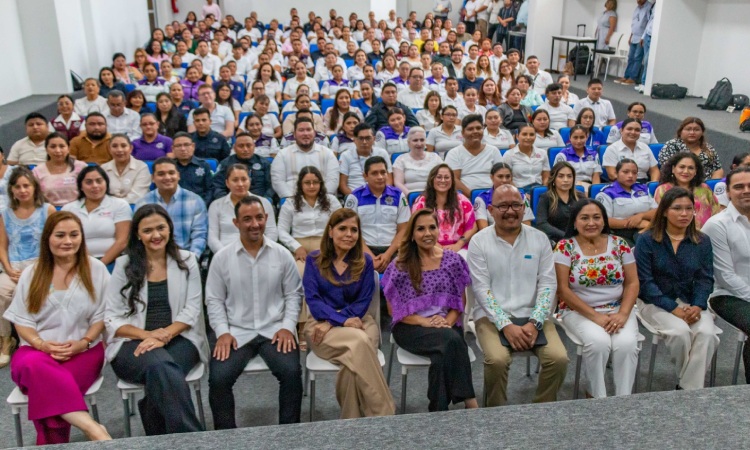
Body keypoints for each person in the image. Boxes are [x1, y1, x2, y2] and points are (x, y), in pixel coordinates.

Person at [3, 212, 111, 445]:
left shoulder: (97, 269)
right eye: (60, 235)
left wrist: (84, 342)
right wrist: (41, 344)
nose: (68, 241)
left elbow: (103, 316)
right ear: (48, 238)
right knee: (35, 368)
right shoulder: (32, 273)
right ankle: (93, 429)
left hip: (84, 351)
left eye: (74, 235)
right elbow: (21, 320)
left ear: (82, 237)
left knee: (50, 392)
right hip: (35, 351)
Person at [104, 204, 209, 435]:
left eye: (161, 228)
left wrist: (165, 335)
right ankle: (192, 439)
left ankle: (156, 427)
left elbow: (192, 310)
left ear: (169, 228)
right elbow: (111, 317)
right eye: (148, 230)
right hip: (132, 341)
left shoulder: (187, 260)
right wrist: (148, 335)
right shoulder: (124, 265)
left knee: (162, 373)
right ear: (138, 235)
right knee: (163, 368)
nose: (156, 235)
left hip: (180, 337)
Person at [206, 196, 303, 428]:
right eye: (247, 219)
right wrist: (222, 332)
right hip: (236, 331)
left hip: (275, 329)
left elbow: (294, 295)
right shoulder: (222, 258)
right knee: (218, 379)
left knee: (291, 373)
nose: (254, 224)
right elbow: (214, 300)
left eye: (259, 217)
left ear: (266, 218)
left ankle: (291, 435)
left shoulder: (282, 254)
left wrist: (287, 327)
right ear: (236, 223)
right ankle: (226, 438)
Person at [468, 184, 568, 407]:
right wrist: (505, 324)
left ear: (524, 209)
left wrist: (535, 321)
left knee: (558, 359)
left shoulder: (539, 239)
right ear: (491, 210)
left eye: (516, 205)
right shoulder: (478, 242)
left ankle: (541, 409)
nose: (510, 211)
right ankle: (496, 413)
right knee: (497, 360)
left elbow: (548, 284)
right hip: (491, 317)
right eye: (503, 206)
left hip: (534, 314)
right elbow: (481, 289)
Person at [302, 209, 396, 418]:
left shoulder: (365, 261)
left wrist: (334, 321)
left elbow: (362, 303)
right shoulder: (314, 260)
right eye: (342, 229)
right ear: (330, 231)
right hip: (319, 325)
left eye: (354, 230)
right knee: (360, 343)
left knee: (352, 361)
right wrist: (339, 320)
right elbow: (314, 303)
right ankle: (384, 414)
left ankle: (350, 422)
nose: (348, 234)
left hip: (360, 320)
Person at [382, 209, 478, 411]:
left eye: (432, 227)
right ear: (412, 234)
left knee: (442, 353)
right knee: (452, 340)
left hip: (447, 323)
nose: (427, 233)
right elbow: (393, 310)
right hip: (410, 326)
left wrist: (446, 322)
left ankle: (438, 408)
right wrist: (425, 322)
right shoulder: (400, 265)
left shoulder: (452, 260)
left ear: (438, 230)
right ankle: (470, 401)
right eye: (420, 229)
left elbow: (459, 303)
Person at [554, 197, 640, 398]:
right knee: (599, 343)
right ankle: (597, 398)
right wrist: (596, 317)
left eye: (596, 217)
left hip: (618, 308)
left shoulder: (619, 244)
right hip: (578, 310)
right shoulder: (565, 247)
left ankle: (624, 399)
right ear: (575, 222)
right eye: (584, 218)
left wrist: (623, 314)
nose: (591, 223)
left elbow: (632, 283)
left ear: (604, 220)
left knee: (626, 345)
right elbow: (563, 290)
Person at [635, 187, 718, 390]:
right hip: (655, 301)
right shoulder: (646, 240)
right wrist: (673, 308)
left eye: (689, 209)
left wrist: (698, 305)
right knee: (680, 333)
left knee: (707, 334)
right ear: (664, 211)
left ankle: (686, 389)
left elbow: (705, 279)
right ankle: (691, 390)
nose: (684, 214)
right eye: (677, 208)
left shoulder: (702, 241)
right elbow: (645, 283)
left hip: (691, 301)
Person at [0, 168, 56, 367]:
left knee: (31, 293)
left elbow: (54, 243)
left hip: (42, 267)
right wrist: (8, 269)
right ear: (11, 190)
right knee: (1, 292)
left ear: (34, 188)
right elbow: (2, 246)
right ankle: (6, 339)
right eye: (18, 186)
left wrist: (34, 270)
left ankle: (38, 339)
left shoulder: (47, 210)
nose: (22, 190)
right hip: (14, 268)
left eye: (26, 185)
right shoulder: (5, 214)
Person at [703, 167, 750, 384]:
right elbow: (725, 276)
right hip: (726, 295)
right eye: (739, 187)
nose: (746, 190)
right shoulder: (717, 225)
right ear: (728, 192)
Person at [344, 156, 410, 272]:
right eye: (374, 173)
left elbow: (403, 229)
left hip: (393, 250)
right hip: (362, 250)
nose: (380, 177)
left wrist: (387, 255)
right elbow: (350, 230)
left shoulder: (398, 196)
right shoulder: (355, 197)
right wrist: (371, 258)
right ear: (365, 176)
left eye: (383, 172)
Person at [134, 158, 208, 257]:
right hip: (151, 257)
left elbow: (199, 235)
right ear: (153, 178)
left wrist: (191, 259)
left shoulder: (195, 201)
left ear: (178, 175)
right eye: (161, 174)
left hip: (185, 256)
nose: (167, 177)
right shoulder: (143, 203)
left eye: (171, 173)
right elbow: (138, 236)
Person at [62, 166, 131, 270]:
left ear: (106, 183)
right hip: (79, 261)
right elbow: (69, 239)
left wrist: (100, 265)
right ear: (81, 186)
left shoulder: (120, 205)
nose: (95, 185)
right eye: (89, 182)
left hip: (115, 261)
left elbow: (122, 241)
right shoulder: (68, 209)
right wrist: (89, 264)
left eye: (99, 181)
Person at [279, 167, 342, 275]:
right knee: (300, 274)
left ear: (321, 183)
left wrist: (330, 248)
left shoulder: (331, 200)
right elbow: (281, 230)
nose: (312, 186)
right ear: (300, 184)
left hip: (326, 247)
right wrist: (296, 247)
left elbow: (341, 224)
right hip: (299, 248)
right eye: (307, 183)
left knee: (329, 274)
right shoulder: (290, 203)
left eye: (315, 182)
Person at [208, 164, 277, 253]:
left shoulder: (263, 203)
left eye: (244, 179)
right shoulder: (216, 205)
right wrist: (225, 255)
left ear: (250, 181)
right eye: (235, 180)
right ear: (227, 183)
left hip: (259, 253)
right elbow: (212, 238)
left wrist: (259, 252)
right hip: (226, 254)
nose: (240, 184)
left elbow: (272, 233)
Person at [412, 164, 477, 255]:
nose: (443, 180)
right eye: (439, 177)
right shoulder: (421, 202)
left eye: (446, 177)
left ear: (452, 180)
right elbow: (417, 228)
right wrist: (436, 245)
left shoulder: (462, 200)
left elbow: (472, 226)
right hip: (429, 247)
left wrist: (458, 244)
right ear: (432, 179)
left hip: (459, 247)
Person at [271, 118, 339, 199]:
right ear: (294, 134)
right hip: (292, 199)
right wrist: (293, 199)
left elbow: (333, 180)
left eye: (308, 130)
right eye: (301, 130)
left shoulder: (328, 153)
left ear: (314, 133)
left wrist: (319, 198)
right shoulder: (282, 155)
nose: (305, 133)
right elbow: (278, 181)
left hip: (322, 199)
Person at [595, 158, 657, 246]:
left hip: (644, 228)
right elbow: (603, 220)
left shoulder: (643, 189)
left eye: (634, 173)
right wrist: (633, 223)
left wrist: (641, 216)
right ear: (616, 173)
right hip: (618, 232)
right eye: (626, 172)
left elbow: (657, 211)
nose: (630, 175)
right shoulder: (606, 193)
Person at [654, 153, 720, 230]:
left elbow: (717, 213)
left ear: (696, 171)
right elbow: (660, 217)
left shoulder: (705, 189)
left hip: (707, 233)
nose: (686, 171)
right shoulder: (663, 190)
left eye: (691, 168)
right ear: (673, 169)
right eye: (682, 167)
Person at [445, 114, 503, 193]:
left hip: (492, 195)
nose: (475, 131)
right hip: (465, 197)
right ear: (462, 133)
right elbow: (454, 179)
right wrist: (474, 196)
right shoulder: (454, 153)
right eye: (470, 129)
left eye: (478, 128)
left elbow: (501, 176)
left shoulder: (493, 151)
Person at [658, 117, 723, 181]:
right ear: (681, 131)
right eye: (688, 129)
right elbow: (667, 169)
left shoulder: (708, 148)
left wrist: (712, 184)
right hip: (678, 183)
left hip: (705, 184)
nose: (692, 132)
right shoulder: (671, 145)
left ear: (702, 132)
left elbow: (718, 169)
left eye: (696, 130)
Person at [33, 133, 88, 207]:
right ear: (46, 149)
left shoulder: (81, 167)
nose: (58, 150)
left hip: (78, 209)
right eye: (53, 147)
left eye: (62, 146)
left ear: (68, 149)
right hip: (49, 210)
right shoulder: (37, 171)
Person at [474, 163, 534, 229]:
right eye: (500, 176)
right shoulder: (482, 199)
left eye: (508, 177)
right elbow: (483, 228)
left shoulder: (521, 197)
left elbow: (527, 224)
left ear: (511, 178)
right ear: (492, 177)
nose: (504, 180)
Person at [537, 162, 585, 243]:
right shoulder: (545, 198)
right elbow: (541, 224)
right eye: (561, 176)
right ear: (553, 179)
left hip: (579, 239)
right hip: (554, 240)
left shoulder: (580, 197)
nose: (566, 180)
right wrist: (566, 236)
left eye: (569, 176)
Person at [339, 124, 393, 196]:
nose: (364, 142)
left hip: (380, 195)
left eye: (368, 138)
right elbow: (343, 185)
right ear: (354, 139)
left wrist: (381, 196)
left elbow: (389, 179)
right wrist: (355, 198)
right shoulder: (346, 155)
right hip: (354, 194)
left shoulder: (382, 153)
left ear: (374, 139)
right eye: (361, 138)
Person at [602, 118, 659, 183]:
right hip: (621, 184)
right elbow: (612, 175)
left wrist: (653, 185)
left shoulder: (645, 147)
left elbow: (654, 170)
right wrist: (632, 185)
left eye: (637, 130)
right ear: (621, 130)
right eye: (629, 129)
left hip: (643, 184)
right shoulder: (612, 149)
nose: (633, 132)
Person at [101, 134, 152, 204]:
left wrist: (115, 205)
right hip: (107, 207)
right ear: (109, 149)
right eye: (115, 146)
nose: (119, 150)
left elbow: (137, 196)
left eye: (123, 146)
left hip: (134, 206)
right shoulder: (103, 168)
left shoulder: (142, 167)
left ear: (131, 148)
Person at [393, 127, 443, 195]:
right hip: (409, 196)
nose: (419, 144)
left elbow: (443, 178)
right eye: (415, 140)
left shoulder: (435, 157)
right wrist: (411, 196)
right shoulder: (400, 159)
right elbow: (398, 183)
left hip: (433, 195)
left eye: (422, 140)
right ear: (408, 143)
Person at [502, 125, 550, 190]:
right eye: (524, 134)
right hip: (518, 190)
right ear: (517, 136)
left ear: (535, 137)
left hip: (538, 189)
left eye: (531, 135)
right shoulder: (509, 154)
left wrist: (543, 190)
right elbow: (507, 179)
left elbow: (546, 176)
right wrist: (520, 193)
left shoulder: (542, 153)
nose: (528, 137)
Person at [614, 0, 651, 86]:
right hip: (634, 36)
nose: (637, 1)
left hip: (641, 37)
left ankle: (633, 78)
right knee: (630, 57)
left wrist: (643, 37)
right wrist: (631, 36)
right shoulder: (637, 8)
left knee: (637, 58)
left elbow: (648, 24)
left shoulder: (649, 7)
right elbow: (634, 24)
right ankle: (626, 76)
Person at [171, 132, 213, 204]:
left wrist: (202, 204)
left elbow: (210, 190)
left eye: (186, 145)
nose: (183, 149)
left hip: (199, 204)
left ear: (193, 146)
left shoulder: (204, 166)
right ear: (173, 149)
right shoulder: (169, 167)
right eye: (178, 146)